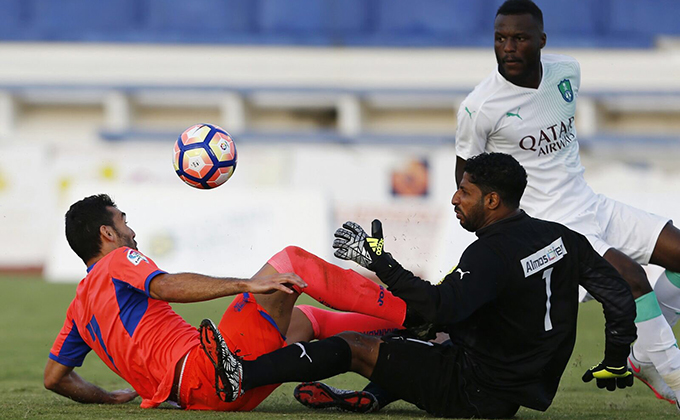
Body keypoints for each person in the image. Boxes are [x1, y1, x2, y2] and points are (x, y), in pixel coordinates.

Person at [202, 152, 637, 419]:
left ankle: (242, 374)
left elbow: (438, 308)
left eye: (464, 192)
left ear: (492, 200)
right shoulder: (562, 237)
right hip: (520, 384)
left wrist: (379, 262)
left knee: (356, 344)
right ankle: (375, 395)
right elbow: (618, 297)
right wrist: (617, 359)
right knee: (415, 337)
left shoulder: (490, 253)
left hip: (473, 389)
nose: (454, 199)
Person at [451, 0, 680, 404]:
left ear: (541, 40)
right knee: (631, 280)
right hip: (554, 226)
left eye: (519, 38)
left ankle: (643, 354)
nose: (508, 47)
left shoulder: (567, 71)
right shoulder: (480, 107)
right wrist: (501, 231)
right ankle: (675, 376)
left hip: (592, 205)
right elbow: (464, 177)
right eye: (500, 38)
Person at [44, 194, 409, 410]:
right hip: (216, 370)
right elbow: (165, 286)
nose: (131, 230)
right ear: (107, 233)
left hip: (207, 398)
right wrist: (245, 284)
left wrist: (109, 398)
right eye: (124, 222)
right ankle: (413, 309)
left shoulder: (77, 309)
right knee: (292, 263)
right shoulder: (118, 260)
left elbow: (54, 378)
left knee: (303, 320)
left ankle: (403, 330)